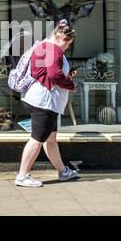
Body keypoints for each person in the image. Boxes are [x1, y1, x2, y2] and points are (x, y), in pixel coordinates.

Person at [15, 20, 80, 187]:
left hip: (40, 99)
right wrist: (71, 85)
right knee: (37, 139)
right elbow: (55, 75)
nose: (66, 48)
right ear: (63, 38)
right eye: (68, 45)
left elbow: (44, 71)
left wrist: (66, 74)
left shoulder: (43, 45)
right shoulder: (54, 49)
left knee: (50, 138)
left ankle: (63, 172)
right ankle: (22, 176)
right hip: (45, 102)